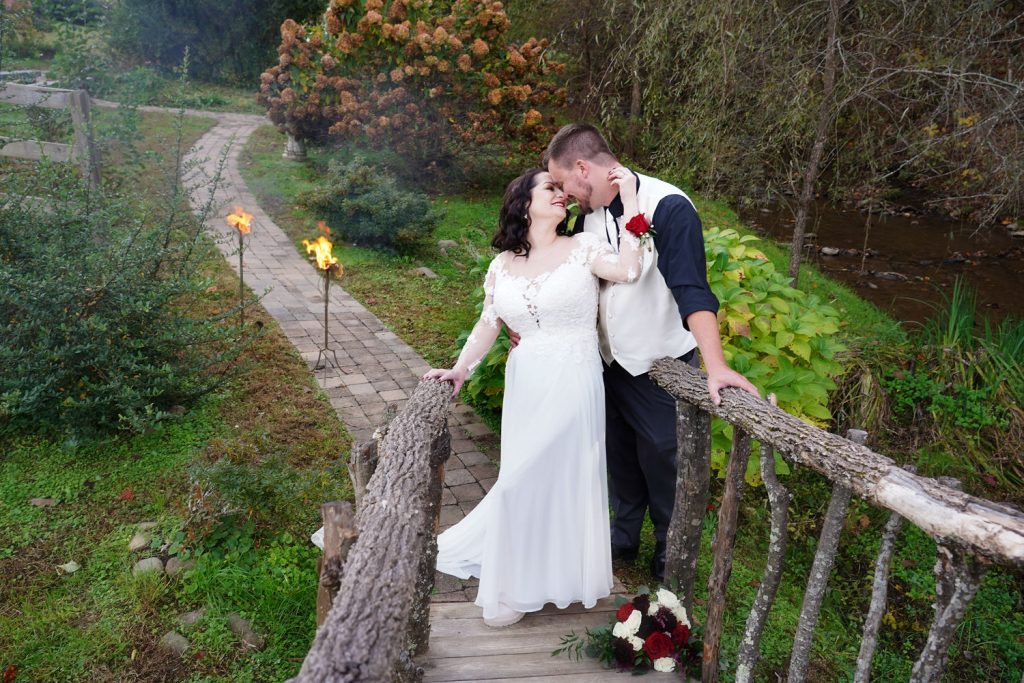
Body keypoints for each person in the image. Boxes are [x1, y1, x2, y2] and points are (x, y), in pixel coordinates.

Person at [423, 166, 644, 628]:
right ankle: (526, 574)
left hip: (574, 377)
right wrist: (461, 369)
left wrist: (631, 202)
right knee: (527, 475)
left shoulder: (583, 248)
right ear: (524, 203)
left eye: (562, 190)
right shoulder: (502, 265)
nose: (562, 196)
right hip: (527, 382)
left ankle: (518, 585)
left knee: (536, 475)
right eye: (551, 189)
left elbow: (629, 269)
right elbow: (490, 323)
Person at [542, 123, 758, 581]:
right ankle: (623, 536)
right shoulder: (589, 215)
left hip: (660, 363)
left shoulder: (670, 207)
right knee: (617, 451)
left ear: (583, 168)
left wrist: (715, 365)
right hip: (606, 361)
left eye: (563, 184)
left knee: (663, 457)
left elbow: (691, 289)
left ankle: (668, 546)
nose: (565, 196)